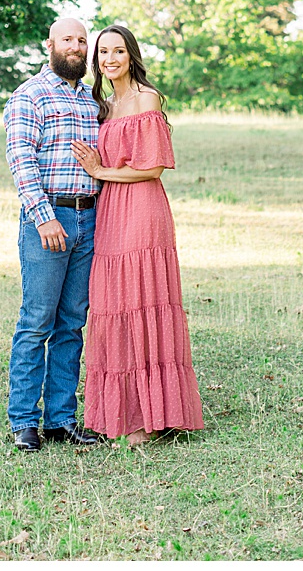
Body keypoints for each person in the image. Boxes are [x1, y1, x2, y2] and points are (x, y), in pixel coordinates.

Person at [72, 24, 204, 446]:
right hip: (111, 211)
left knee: (144, 299)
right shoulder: (104, 106)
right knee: (115, 304)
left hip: (143, 208)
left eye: (118, 51)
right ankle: (126, 414)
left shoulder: (147, 98)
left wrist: (100, 171)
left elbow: (152, 167)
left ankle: (154, 417)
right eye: (103, 52)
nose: (110, 59)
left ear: (131, 56)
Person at [4, 17, 106, 451]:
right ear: (49, 44)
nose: (77, 47)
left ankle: (61, 420)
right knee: (37, 321)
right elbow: (21, 159)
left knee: (72, 324)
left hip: (90, 219)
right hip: (49, 221)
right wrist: (43, 217)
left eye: (83, 40)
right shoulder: (30, 95)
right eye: (68, 39)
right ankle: (24, 420)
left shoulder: (93, 101)